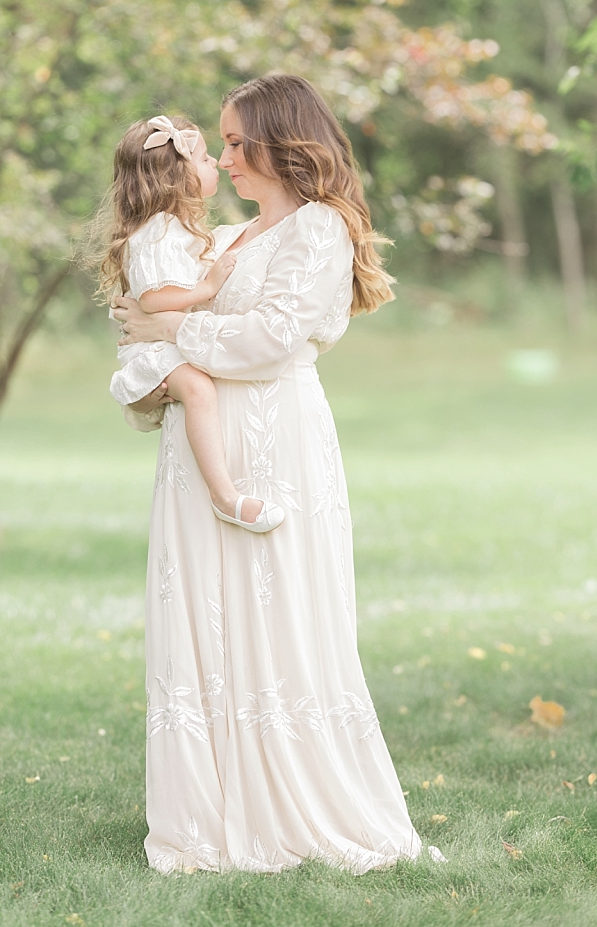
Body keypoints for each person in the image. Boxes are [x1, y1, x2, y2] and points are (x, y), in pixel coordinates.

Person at [111, 73, 438, 874]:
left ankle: (301, 802)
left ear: (281, 142)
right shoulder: (226, 240)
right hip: (202, 449)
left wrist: (174, 327)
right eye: (217, 144)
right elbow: (139, 329)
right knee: (205, 617)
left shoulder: (319, 229)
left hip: (277, 438)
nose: (222, 161)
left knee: (281, 610)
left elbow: (272, 341)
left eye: (233, 141)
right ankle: (212, 813)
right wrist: (165, 336)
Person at [96, 114, 281, 533]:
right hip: (154, 349)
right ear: (175, 177)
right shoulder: (158, 231)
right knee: (197, 388)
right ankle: (224, 495)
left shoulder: (177, 230)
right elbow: (154, 298)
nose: (216, 161)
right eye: (202, 158)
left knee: (200, 388)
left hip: (168, 343)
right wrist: (207, 289)